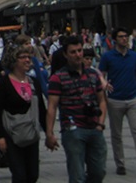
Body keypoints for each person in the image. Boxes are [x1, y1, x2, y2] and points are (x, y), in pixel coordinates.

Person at [45, 35, 107, 183]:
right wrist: (49, 133)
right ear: (65, 55)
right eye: (73, 52)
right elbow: (52, 106)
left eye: (79, 51)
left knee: (98, 172)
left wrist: (100, 123)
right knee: (77, 176)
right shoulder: (58, 77)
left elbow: (102, 100)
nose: (78, 55)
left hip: (94, 127)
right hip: (72, 129)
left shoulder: (93, 74)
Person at [98, 27, 136, 179]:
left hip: (132, 98)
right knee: (116, 134)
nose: (124, 39)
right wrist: (104, 93)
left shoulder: (134, 56)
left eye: (126, 36)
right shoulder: (108, 56)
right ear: (115, 39)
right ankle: (120, 164)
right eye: (121, 37)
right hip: (115, 100)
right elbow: (100, 76)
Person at [0, 45, 47, 183]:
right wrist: (0, 137)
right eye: (23, 57)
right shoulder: (4, 83)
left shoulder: (33, 82)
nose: (27, 60)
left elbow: (41, 108)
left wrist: (49, 133)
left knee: (33, 175)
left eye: (29, 57)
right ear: (14, 60)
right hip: (12, 134)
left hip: (31, 134)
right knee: (19, 176)